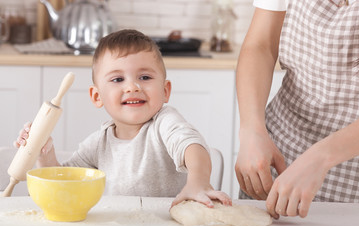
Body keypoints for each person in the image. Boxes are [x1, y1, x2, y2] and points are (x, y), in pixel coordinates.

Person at [15, 29, 231, 208]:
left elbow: (192, 146)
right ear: (97, 96)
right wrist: (44, 151)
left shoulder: (164, 122)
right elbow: (63, 181)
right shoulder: (99, 142)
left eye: (144, 77)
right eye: (118, 79)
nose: (132, 87)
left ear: (165, 91)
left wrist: (198, 182)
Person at [235, 0, 359, 219]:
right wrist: (251, 130)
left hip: (352, 174)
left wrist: (320, 158)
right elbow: (260, 45)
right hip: (280, 150)